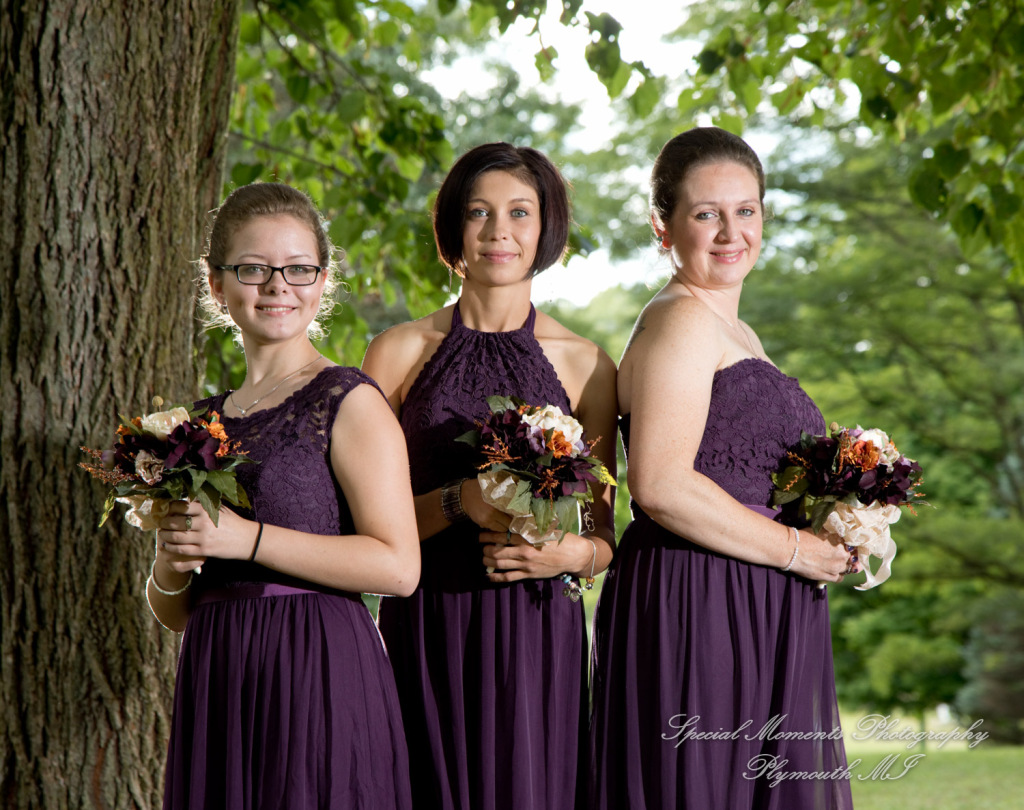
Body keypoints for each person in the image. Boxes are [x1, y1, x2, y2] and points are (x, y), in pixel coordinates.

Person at [588, 127, 857, 809]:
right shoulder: (680, 319)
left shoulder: (738, 332)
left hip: (758, 595)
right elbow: (659, 484)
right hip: (700, 600)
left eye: (746, 210)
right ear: (663, 227)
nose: (730, 231)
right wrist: (797, 550)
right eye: (707, 213)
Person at [361, 143, 617, 810]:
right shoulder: (395, 353)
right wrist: (460, 501)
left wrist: (569, 554)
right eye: (478, 212)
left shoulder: (588, 366)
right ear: (453, 229)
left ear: (545, 229)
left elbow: (604, 536)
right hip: (427, 624)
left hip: (539, 631)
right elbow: (362, 527)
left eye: (519, 212)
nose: (499, 230)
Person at [149, 182, 420, 809]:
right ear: (217, 285)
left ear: (322, 281)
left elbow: (399, 567)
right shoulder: (198, 424)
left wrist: (247, 539)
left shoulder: (349, 400)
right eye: (254, 269)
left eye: (298, 269)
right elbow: (178, 608)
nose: (278, 286)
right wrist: (170, 562)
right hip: (218, 673)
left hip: (318, 671)